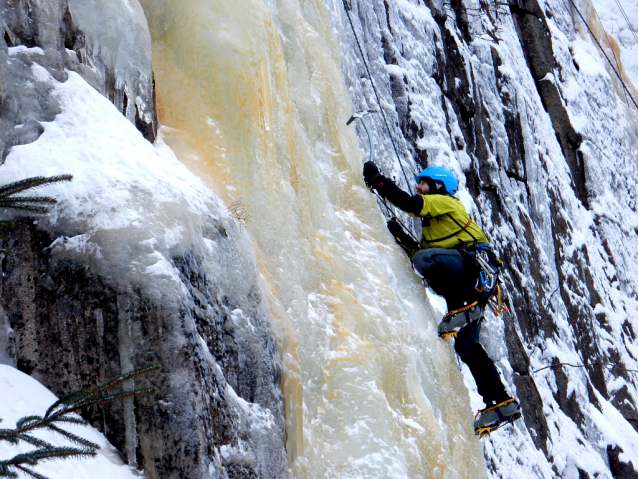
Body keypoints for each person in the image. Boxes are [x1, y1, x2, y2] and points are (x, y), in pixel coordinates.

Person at [363, 161, 521, 434]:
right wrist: (401, 237)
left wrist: (379, 181)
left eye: (423, 182)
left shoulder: (447, 203)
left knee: (426, 259)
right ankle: (500, 402)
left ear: (437, 186)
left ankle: (465, 309)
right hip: (474, 287)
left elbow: (411, 204)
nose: (418, 186)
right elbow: (422, 255)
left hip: (473, 271)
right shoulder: (436, 230)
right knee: (466, 347)